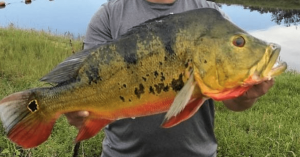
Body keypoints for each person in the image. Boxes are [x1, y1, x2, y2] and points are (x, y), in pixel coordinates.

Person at [66, 0, 275, 156]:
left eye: (239, 42)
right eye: (239, 42)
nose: (239, 44)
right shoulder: (109, 15)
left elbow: (234, 103)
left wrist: (246, 96)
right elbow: (85, 80)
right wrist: (77, 111)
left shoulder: (209, 14)